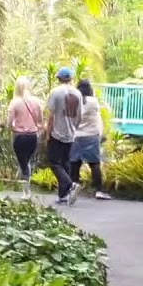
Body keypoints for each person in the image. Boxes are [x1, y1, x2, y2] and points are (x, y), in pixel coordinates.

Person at [45, 67, 82, 205]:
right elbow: (80, 116)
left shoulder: (55, 92)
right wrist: (74, 128)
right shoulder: (78, 93)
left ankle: (70, 185)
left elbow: (51, 116)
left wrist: (48, 133)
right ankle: (63, 195)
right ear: (71, 78)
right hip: (71, 134)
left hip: (57, 133)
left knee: (54, 162)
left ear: (59, 78)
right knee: (65, 163)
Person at [70, 79, 111, 200]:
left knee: (75, 164)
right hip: (91, 135)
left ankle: (73, 188)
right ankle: (98, 190)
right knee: (94, 164)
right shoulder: (94, 102)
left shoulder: (75, 101)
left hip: (77, 135)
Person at [6, 76, 44, 199]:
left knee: (23, 163)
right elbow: (40, 121)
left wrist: (13, 128)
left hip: (20, 136)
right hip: (33, 136)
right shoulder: (36, 102)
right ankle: (26, 188)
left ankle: (26, 192)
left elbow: (9, 122)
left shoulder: (15, 102)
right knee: (26, 161)